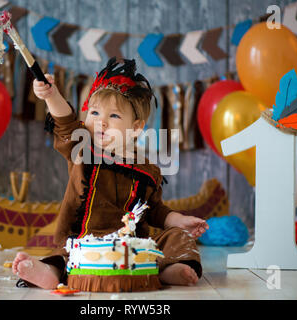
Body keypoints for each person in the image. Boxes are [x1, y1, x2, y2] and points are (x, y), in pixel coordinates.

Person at [12, 57, 209, 289]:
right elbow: (64, 121)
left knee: (178, 237)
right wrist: (51, 96)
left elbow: (155, 211)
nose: (101, 122)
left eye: (113, 116)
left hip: (133, 243)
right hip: (84, 240)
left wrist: (180, 220)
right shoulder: (83, 150)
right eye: (94, 113)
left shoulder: (147, 170)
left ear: (136, 127)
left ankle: (170, 268)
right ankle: (50, 272)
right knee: (64, 253)